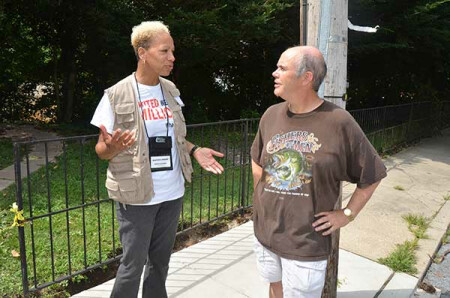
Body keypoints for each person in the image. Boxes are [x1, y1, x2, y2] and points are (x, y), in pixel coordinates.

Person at [90, 21, 224, 298]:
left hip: (172, 192)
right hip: (137, 196)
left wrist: (194, 149)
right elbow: (101, 150)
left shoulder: (170, 90)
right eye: (164, 51)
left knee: (160, 262)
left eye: (172, 51)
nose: (172, 58)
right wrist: (112, 148)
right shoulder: (115, 95)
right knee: (132, 264)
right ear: (143, 53)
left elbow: (175, 137)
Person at [250, 46, 387, 298]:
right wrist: (262, 198)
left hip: (306, 241)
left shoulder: (339, 122)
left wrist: (346, 214)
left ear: (306, 77)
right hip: (265, 232)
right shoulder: (270, 115)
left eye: (282, 68)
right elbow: (257, 158)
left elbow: (373, 174)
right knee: (275, 288)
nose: (274, 73)